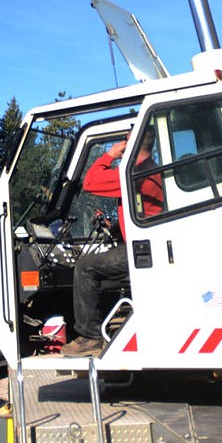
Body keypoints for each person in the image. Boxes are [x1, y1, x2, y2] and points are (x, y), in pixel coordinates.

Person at [61, 126, 163, 357]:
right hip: (146, 244)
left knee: (86, 267)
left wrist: (111, 155)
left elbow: (90, 182)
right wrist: (115, 227)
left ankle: (90, 337)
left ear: (131, 142)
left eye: (124, 140)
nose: (121, 144)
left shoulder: (134, 172)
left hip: (142, 250)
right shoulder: (151, 169)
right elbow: (146, 211)